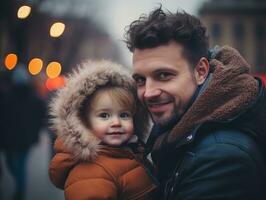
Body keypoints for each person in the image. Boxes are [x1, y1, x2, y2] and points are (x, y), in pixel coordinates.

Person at [124, 6, 266, 200]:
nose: (148, 93)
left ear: (200, 71)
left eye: (164, 75)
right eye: (140, 79)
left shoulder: (222, 157)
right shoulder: (179, 126)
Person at [48, 60, 158, 199]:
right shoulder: (91, 172)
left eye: (124, 115)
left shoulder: (130, 152)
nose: (116, 122)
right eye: (104, 115)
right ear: (84, 122)